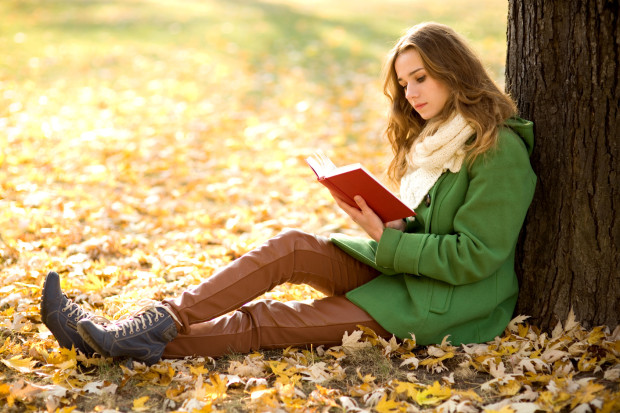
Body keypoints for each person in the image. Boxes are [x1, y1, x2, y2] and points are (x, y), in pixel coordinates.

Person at [40, 22, 536, 366]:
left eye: (420, 78)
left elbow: (476, 256)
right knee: (293, 245)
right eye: (404, 83)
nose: (410, 93)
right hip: (403, 266)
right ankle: (152, 321)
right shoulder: (433, 139)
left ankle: (114, 342)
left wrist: (392, 240)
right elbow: (427, 229)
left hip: (444, 304)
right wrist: (390, 227)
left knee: (270, 322)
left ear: (455, 71)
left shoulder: (498, 149)